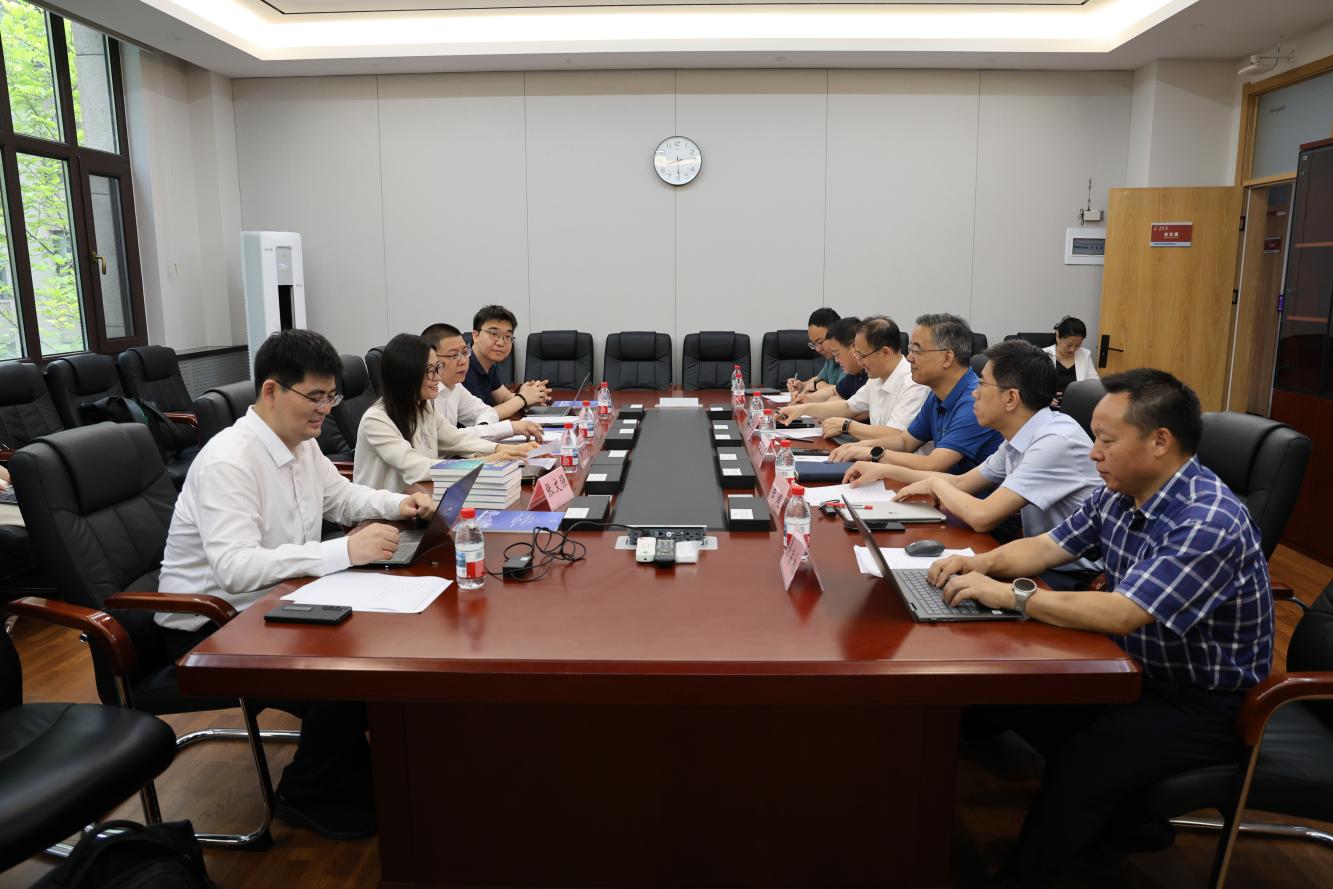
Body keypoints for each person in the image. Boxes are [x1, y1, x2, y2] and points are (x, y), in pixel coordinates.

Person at [927, 368, 1272, 889]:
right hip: (1130, 667)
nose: (1093, 453)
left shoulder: (1207, 520)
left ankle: (1031, 872)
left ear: (1160, 442)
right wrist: (980, 565)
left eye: (1107, 441)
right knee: (1007, 698)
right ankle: (1128, 823)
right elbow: (1048, 546)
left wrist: (1013, 595)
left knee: (1085, 763)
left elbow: (1124, 612)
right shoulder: (1123, 491)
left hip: (1203, 701)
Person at [156, 329, 441, 840]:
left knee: (379, 643)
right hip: (209, 626)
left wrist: (398, 504)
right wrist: (343, 552)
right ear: (271, 390)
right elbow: (234, 568)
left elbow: (343, 498)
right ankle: (307, 793)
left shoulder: (302, 446)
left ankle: (347, 772)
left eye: (331, 397)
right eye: (315, 397)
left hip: (277, 601)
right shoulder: (229, 460)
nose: (325, 411)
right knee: (349, 665)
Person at [845, 340, 1101, 587]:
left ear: (1011, 398)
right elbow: (962, 483)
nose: (974, 393)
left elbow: (983, 516)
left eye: (982, 384)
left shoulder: (1054, 441)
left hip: (1075, 577)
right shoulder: (1022, 434)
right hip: (1037, 560)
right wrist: (883, 469)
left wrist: (934, 484)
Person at [354, 334, 537, 491]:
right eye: (430, 371)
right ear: (406, 375)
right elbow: (418, 468)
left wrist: (502, 449)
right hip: (383, 515)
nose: (437, 377)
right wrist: (489, 460)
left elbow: (456, 439)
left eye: (438, 368)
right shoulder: (377, 420)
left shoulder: (424, 406)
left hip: (423, 498)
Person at [829, 313, 1002, 473]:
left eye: (917, 350)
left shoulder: (974, 403)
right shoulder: (937, 395)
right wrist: (861, 446)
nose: (909, 357)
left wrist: (873, 453)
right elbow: (905, 441)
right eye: (910, 349)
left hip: (965, 495)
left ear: (947, 358)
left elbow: (933, 464)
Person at [778, 316, 928, 442]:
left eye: (862, 355)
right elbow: (848, 407)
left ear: (885, 353)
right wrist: (801, 409)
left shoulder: (913, 383)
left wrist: (847, 425)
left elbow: (896, 435)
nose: (859, 362)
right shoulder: (876, 378)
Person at [421, 323, 545, 444]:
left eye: (465, 352)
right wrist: (510, 427)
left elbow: (486, 411)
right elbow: (447, 439)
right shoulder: (424, 393)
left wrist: (484, 429)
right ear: (432, 358)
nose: (463, 361)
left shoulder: (456, 385)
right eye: (454, 355)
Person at [466, 305, 553, 419]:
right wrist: (523, 398)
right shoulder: (463, 366)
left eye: (508, 336)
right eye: (494, 334)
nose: (501, 343)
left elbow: (504, 398)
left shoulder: (488, 365)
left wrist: (531, 394)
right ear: (475, 336)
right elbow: (480, 417)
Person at [786, 307, 843, 404]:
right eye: (814, 344)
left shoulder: (849, 360)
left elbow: (842, 391)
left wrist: (817, 384)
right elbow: (819, 378)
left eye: (820, 342)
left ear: (836, 334)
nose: (818, 349)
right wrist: (802, 385)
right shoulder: (831, 359)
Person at [1045, 316, 1098, 405]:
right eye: (1069, 345)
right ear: (1058, 337)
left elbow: (1095, 385)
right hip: (1049, 408)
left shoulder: (1085, 355)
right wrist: (1044, 398)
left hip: (1077, 406)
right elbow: (1030, 388)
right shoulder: (1043, 355)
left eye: (1078, 345)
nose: (1073, 349)